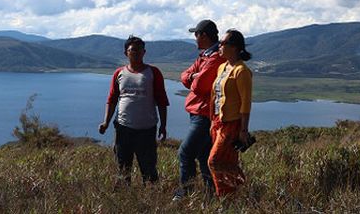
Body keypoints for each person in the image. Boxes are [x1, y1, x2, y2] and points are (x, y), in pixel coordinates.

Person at [99, 35, 169, 184]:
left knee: (149, 169)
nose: (136, 53)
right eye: (132, 50)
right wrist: (105, 122)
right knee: (122, 168)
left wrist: (163, 125)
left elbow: (162, 100)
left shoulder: (153, 72)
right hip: (123, 128)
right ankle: (123, 200)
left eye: (139, 50)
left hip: (147, 129)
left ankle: (153, 200)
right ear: (126, 53)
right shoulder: (119, 73)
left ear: (144, 52)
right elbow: (112, 99)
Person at [173, 19, 225, 200]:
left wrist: (193, 77)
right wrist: (193, 76)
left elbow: (200, 85)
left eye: (196, 34)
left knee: (185, 153)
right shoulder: (205, 56)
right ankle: (211, 195)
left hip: (204, 115)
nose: (195, 38)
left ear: (203, 35)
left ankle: (184, 194)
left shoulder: (216, 57)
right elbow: (185, 76)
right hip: (199, 113)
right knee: (204, 158)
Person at [207, 29, 253, 197]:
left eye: (223, 43)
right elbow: (215, 95)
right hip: (218, 122)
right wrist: (212, 119)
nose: (219, 46)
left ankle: (224, 194)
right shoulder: (222, 67)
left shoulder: (242, 71)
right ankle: (235, 194)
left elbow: (246, 102)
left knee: (214, 161)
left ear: (234, 47)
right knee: (227, 160)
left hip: (232, 124)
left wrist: (243, 130)